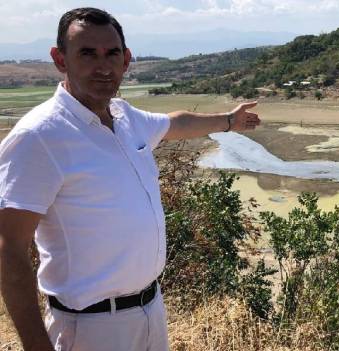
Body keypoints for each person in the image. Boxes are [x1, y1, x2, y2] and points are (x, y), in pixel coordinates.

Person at [0, 7, 261, 351]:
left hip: (150, 310)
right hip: (90, 328)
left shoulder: (124, 116)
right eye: (87, 53)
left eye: (112, 54)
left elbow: (175, 124)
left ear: (126, 60)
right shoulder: (40, 136)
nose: (103, 66)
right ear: (59, 59)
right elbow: (7, 248)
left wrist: (229, 120)